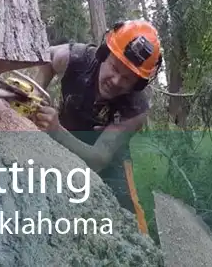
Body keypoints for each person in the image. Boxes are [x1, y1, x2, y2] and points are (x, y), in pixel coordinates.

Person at [30, 20, 163, 235]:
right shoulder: (77, 57)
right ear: (103, 54)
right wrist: (35, 94)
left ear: (138, 84)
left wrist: (55, 131)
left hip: (110, 159)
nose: (116, 80)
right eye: (114, 67)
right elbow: (48, 58)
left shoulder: (135, 109)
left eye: (127, 79)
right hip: (65, 136)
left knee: (130, 217)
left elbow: (100, 159)